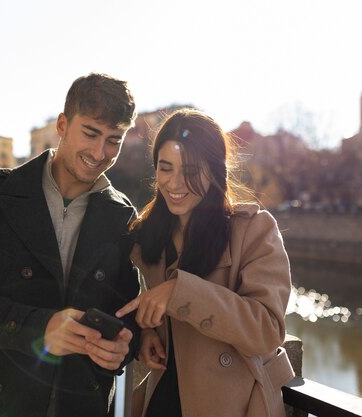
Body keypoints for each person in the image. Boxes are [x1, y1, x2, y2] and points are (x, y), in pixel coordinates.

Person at [0, 73, 141, 417]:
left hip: (78, 404)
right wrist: (38, 327)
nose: (100, 152)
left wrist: (123, 349)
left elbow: (127, 316)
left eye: (114, 140)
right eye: (90, 133)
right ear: (62, 124)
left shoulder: (123, 217)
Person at [116, 109, 295, 417]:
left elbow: (267, 329)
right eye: (165, 168)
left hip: (234, 403)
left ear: (214, 170)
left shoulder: (253, 229)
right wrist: (147, 334)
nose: (175, 183)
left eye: (191, 170)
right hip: (164, 397)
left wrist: (180, 292)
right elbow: (150, 310)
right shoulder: (148, 236)